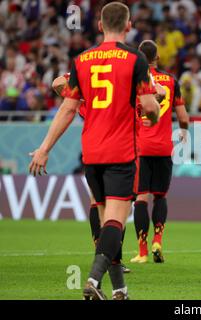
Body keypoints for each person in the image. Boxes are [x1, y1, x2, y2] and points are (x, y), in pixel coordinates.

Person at [29, 2, 160, 299]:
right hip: (122, 151)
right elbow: (151, 106)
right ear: (128, 25)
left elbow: (67, 108)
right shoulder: (134, 58)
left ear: (100, 26)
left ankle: (120, 291)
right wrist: (150, 116)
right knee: (115, 219)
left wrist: (44, 148)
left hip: (91, 152)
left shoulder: (82, 59)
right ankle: (92, 280)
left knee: (105, 223)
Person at [52, 74, 131, 274]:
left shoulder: (88, 69)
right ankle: (111, 259)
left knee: (98, 202)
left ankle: (104, 255)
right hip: (120, 147)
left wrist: (79, 96)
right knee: (118, 205)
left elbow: (57, 84)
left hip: (93, 148)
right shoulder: (124, 69)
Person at [131, 40, 189, 264]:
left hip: (140, 147)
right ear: (157, 57)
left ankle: (143, 251)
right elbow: (183, 117)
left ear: (139, 56)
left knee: (141, 198)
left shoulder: (134, 80)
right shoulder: (171, 82)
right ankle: (158, 240)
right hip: (164, 146)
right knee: (161, 196)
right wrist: (183, 132)